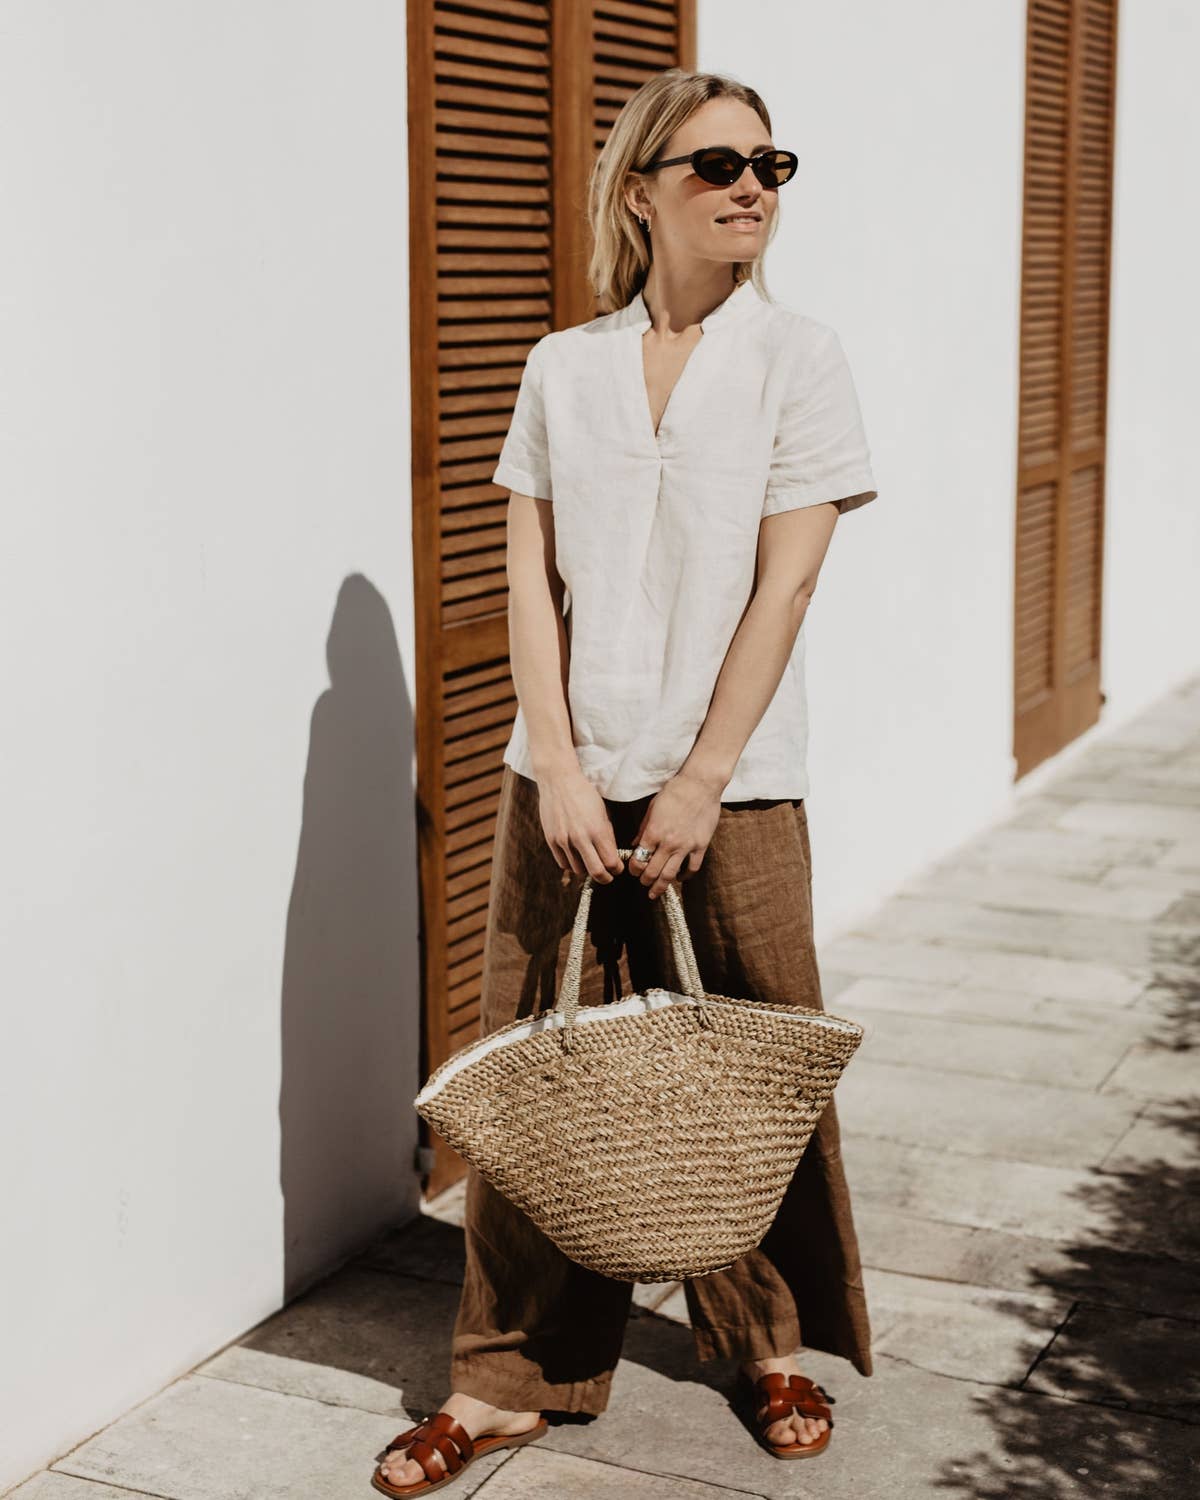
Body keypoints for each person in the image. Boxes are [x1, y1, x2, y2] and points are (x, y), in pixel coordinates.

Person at [374, 66, 879, 1496]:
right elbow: (529, 582)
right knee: (536, 1067)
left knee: (757, 1063)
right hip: (568, 783)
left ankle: (763, 1341)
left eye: (772, 164)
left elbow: (787, 584)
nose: (751, 188)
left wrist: (703, 780)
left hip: (740, 781)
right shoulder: (561, 366)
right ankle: (502, 1379)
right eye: (718, 163)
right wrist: (560, 767)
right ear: (641, 187)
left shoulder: (803, 359)